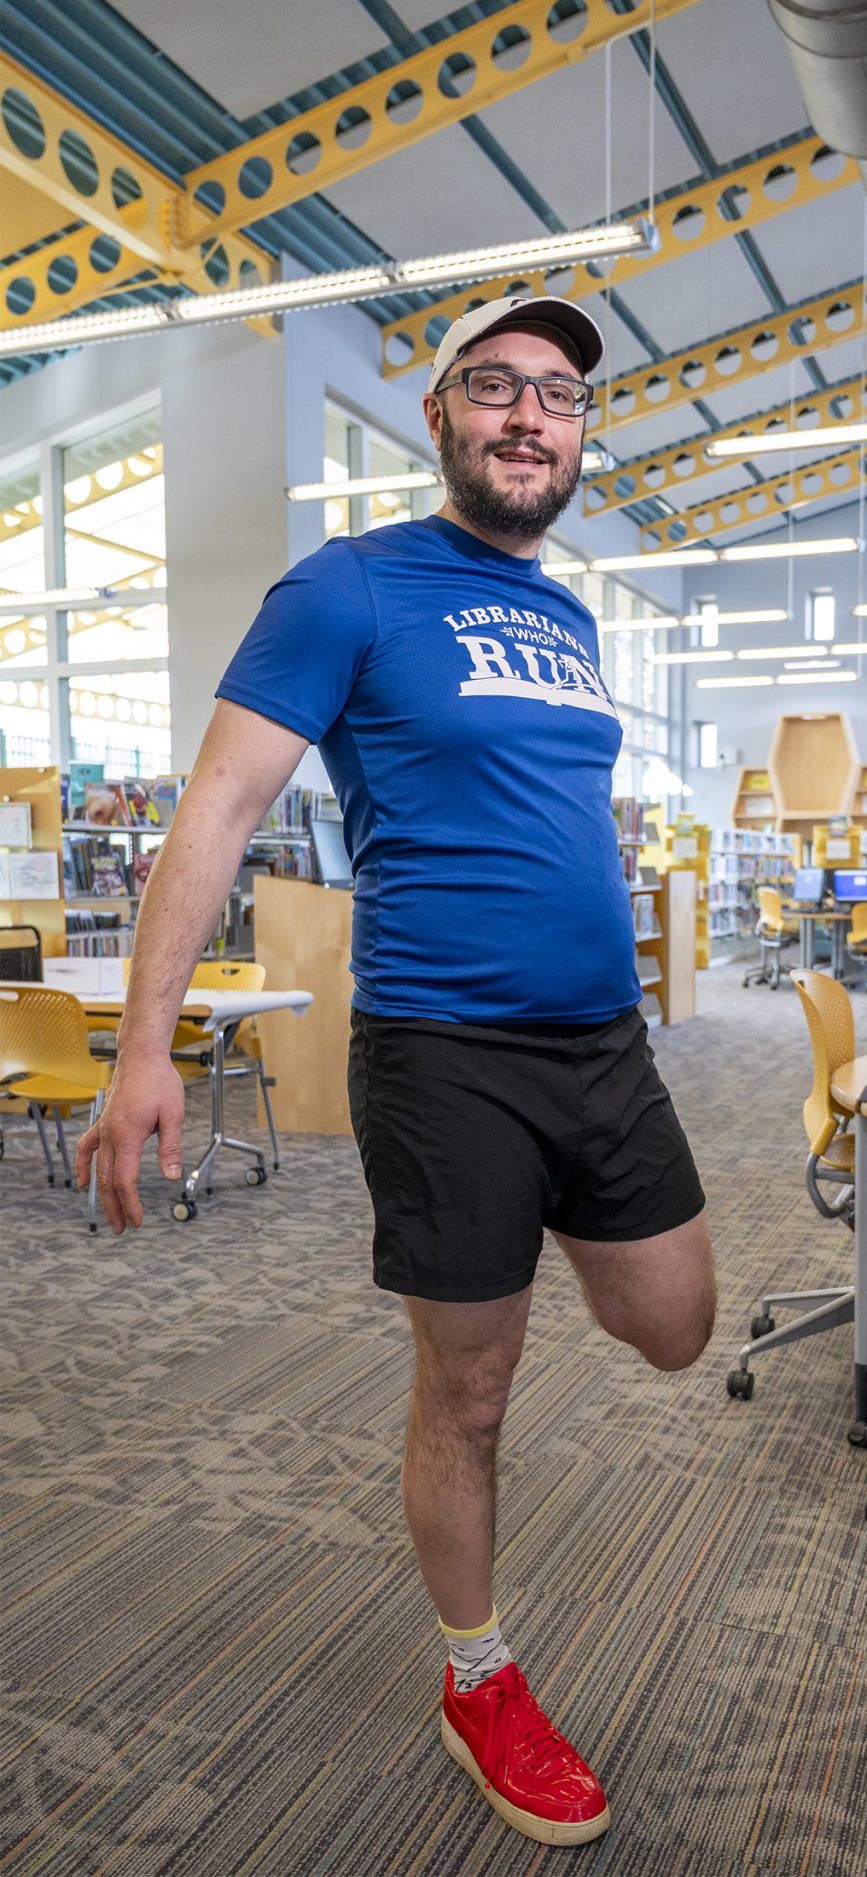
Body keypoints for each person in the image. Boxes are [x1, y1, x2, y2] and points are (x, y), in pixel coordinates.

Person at [78, 294, 717, 1849]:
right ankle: (477, 1672)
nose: (527, 416)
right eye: (493, 386)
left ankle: (509, 1249)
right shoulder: (348, 587)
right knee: (473, 1389)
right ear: (439, 417)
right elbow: (218, 814)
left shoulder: (568, 620)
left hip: (604, 1046)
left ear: (578, 436)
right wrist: (145, 1052)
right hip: (446, 1054)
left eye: (558, 396)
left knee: (675, 1325)